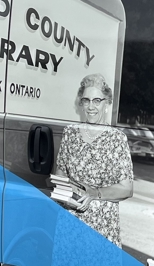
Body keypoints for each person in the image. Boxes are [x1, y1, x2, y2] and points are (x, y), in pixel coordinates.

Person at [53, 74, 133, 246]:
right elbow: (59, 179)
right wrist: (66, 196)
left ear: (106, 103)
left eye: (97, 100)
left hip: (102, 228)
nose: (91, 106)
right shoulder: (70, 133)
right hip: (70, 225)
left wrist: (95, 193)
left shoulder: (117, 139)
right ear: (80, 103)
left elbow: (126, 189)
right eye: (86, 100)